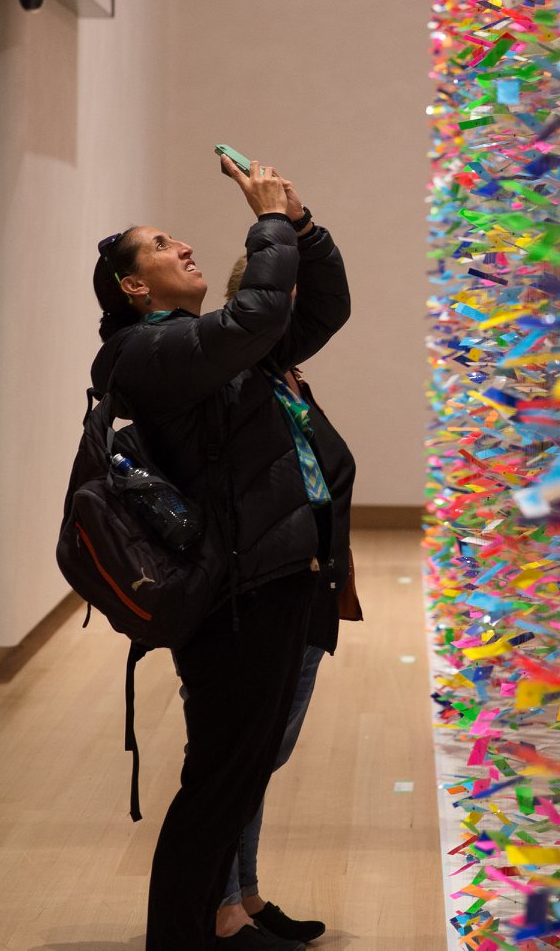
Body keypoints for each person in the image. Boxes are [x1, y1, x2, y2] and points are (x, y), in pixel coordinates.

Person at [89, 156, 357, 951]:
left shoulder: (210, 347)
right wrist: (268, 225)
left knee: (237, 775)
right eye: (163, 244)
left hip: (273, 584)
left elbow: (319, 310)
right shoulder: (146, 352)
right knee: (215, 787)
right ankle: (190, 932)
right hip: (231, 598)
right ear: (135, 287)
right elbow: (255, 319)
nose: (184, 247)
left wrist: (302, 228)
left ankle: (223, 915)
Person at [194, 257, 361, 943]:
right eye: (285, 298)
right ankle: (224, 908)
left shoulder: (286, 379)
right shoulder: (227, 375)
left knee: (263, 757)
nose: (298, 312)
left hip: (306, 590)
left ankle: (248, 894)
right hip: (256, 594)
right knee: (241, 757)